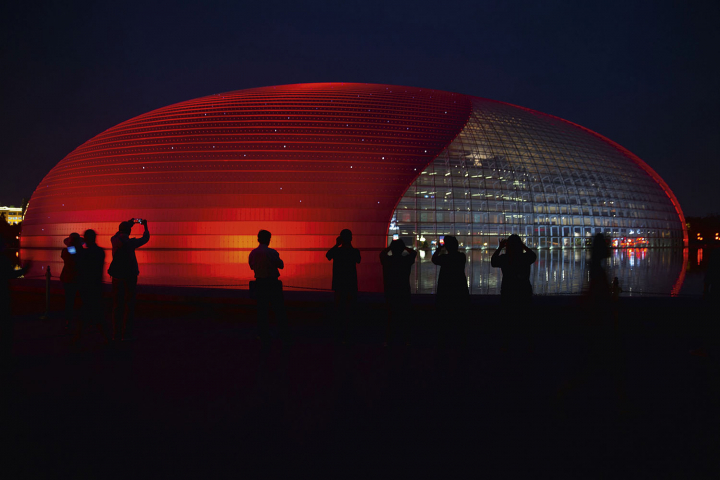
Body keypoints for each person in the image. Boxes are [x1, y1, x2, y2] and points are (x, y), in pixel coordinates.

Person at [491, 234, 537, 351]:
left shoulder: (505, 258)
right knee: (525, 319)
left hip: (508, 292)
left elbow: (493, 261)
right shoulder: (525, 258)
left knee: (507, 319)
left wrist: (500, 247)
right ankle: (527, 345)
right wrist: (523, 246)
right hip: (524, 291)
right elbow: (533, 255)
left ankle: (506, 344)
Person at [107, 219, 149, 342]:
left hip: (116, 276)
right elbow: (145, 238)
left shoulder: (114, 240)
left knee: (116, 305)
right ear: (129, 231)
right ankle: (127, 335)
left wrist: (127, 225)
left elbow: (117, 234)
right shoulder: (131, 243)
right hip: (129, 277)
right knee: (129, 305)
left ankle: (115, 333)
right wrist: (145, 226)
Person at [248, 230, 288, 344]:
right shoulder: (272, 252)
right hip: (272, 283)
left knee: (262, 310)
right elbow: (281, 265)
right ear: (268, 239)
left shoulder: (253, 253)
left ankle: (262, 333)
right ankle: (282, 333)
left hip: (260, 283)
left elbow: (252, 266)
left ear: (258, 239)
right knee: (278, 309)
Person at [73, 229, 110, 345]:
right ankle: (107, 338)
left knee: (86, 313)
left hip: (87, 287)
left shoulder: (85, 253)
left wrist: (73, 244)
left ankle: (78, 339)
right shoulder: (100, 251)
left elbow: (74, 256)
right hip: (96, 286)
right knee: (97, 314)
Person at [432, 235, 469, 346]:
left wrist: (439, 248)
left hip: (446, 292)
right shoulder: (461, 257)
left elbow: (434, 259)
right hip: (459, 291)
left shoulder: (444, 258)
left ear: (446, 246)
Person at [326, 229, 361, 343]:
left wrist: (336, 244)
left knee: (338, 308)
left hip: (339, 283)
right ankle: (350, 332)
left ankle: (338, 332)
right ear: (351, 238)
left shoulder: (337, 251)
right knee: (350, 308)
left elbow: (328, 255)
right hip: (351, 283)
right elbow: (358, 260)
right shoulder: (354, 251)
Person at [380, 239, 417, 346]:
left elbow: (382, 253)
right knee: (404, 316)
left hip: (390, 291)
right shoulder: (405, 261)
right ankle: (405, 339)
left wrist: (391, 248)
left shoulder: (387, 261)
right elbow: (414, 252)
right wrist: (404, 247)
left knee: (390, 315)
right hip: (403, 291)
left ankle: (389, 339)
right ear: (401, 249)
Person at [0, 238, 31, 364]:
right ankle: (6, 355)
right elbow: (10, 274)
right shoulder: (3, 259)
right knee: (6, 324)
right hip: (3, 295)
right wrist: (25, 269)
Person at [60, 232, 84, 331]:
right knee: (82, 300)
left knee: (69, 300)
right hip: (78, 278)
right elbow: (76, 258)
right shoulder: (77, 251)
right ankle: (81, 320)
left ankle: (68, 320)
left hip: (68, 278)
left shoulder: (66, 251)